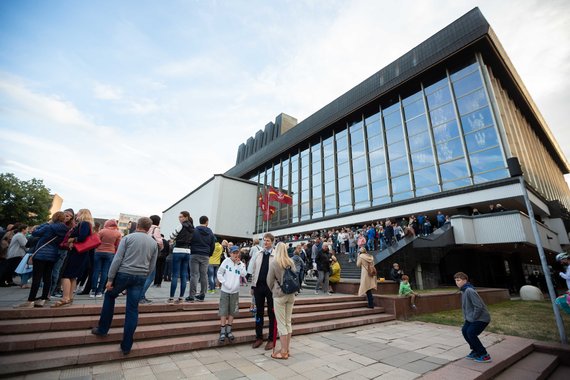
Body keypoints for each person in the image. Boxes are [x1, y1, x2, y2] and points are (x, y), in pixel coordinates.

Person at [91, 217, 158, 355]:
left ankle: (103, 329)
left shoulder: (128, 238)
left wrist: (110, 279)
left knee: (110, 296)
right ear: (149, 228)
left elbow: (118, 258)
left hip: (124, 273)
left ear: (137, 225)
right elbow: (152, 264)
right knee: (132, 309)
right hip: (140, 277)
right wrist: (145, 276)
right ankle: (127, 345)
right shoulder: (153, 243)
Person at [17, 212, 69, 308]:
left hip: (41, 254)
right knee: (47, 277)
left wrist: (47, 223)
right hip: (53, 255)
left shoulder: (49, 226)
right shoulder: (66, 229)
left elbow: (35, 232)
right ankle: (43, 298)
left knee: (37, 277)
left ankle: (30, 300)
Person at [55, 209, 95, 307]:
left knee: (66, 275)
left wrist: (71, 239)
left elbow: (82, 237)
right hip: (80, 253)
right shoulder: (86, 224)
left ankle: (65, 298)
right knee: (72, 276)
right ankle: (69, 297)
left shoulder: (84, 223)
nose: (77, 214)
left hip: (77, 253)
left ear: (82, 214)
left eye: (79, 212)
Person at [267, 242, 296, 360]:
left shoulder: (274, 263)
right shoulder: (291, 262)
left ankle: (283, 352)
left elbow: (269, 280)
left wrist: (274, 290)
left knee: (281, 324)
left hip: (279, 295)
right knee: (288, 322)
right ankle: (287, 348)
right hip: (291, 294)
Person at [454, 272, 492, 363]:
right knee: (464, 331)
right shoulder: (464, 291)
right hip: (471, 318)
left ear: (465, 280)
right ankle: (475, 351)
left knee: (471, 332)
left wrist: (472, 318)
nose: (456, 282)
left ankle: (484, 355)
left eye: (458, 280)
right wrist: (468, 318)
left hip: (481, 318)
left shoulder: (469, 290)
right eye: (455, 280)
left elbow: (478, 306)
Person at [250, 233, 276, 351]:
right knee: (258, 313)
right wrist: (252, 285)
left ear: (272, 242)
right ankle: (259, 337)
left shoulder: (276, 255)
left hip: (271, 288)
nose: (265, 243)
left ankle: (271, 339)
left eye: (268, 241)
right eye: (264, 241)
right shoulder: (258, 254)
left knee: (271, 314)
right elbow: (254, 270)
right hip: (258, 287)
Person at [217, 245, 246, 343]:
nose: (235, 254)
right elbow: (219, 273)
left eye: (237, 252)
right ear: (230, 253)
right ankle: (222, 330)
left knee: (232, 311)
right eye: (233, 253)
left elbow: (244, 274)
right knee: (223, 310)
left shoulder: (241, 264)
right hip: (225, 290)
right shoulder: (226, 261)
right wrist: (224, 282)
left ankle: (229, 329)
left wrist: (240, 264)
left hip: (235, 291)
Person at [187, 216, 216, 302]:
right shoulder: (210, 232)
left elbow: (190, 241)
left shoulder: (194, 230)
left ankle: (191, 296)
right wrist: (209, 254)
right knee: (204, 275)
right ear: (207, 222)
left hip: (194, 254)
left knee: (194, 275)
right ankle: (202, 294)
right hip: (205, 255)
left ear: (199, 221)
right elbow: (212, 245)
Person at [90, 219, 122, 298]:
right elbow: (118, 245)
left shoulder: (102, 231)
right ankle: (100, 291)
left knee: (96, 271)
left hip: (98, 252)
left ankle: (93, 290)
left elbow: (96, 241)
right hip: (110, 253)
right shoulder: (118, 233)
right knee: (105, 272)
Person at [168, 211, 194, 304]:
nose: (179, 219)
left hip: (178, 250)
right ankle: (181, 298)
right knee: (184, 275)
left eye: (181, 217)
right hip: (187, 251)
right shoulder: (192, 228)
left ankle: (171, 298)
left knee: (175, 275)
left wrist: (174, 239)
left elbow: (171, 236)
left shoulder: (181, 226)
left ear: (186, 217)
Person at [140, 215, 164, 303]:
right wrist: (160, 248)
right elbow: (159, 242)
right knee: (151, 275)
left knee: (144, 274)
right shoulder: (156, 229)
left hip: (143, 253)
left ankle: (140, 295)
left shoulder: (146, 229)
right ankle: (141, 296)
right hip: (152, 253)